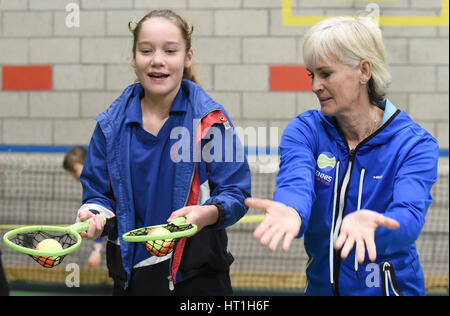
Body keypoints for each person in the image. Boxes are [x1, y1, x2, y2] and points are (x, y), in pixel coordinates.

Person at [245, 16, 439, 296]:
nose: (315, 86)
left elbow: (408, 217)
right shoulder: (305, 130)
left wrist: (375, 227)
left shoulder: (414, 145)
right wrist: (291, 209)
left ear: (363, 71)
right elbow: (295, 183)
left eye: (326, 74)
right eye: (312, 75)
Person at [74, 9, 251, 296]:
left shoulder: (211, 122)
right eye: (146, 50)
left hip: (199, 282)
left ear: (187, 57)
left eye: (170, 50)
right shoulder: (109, 126)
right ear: (134, 59)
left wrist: (206, 214)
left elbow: (236, 193)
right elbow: (97, 195)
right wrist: (93, 216)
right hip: (131, 281)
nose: (157, 60)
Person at [63, 146, 104, 268]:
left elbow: (101, 215)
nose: (73, 175)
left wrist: (96, 251)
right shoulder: (90, 184)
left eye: (74, 170)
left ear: (85, 163)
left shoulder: (99, 181)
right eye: (70, 172)